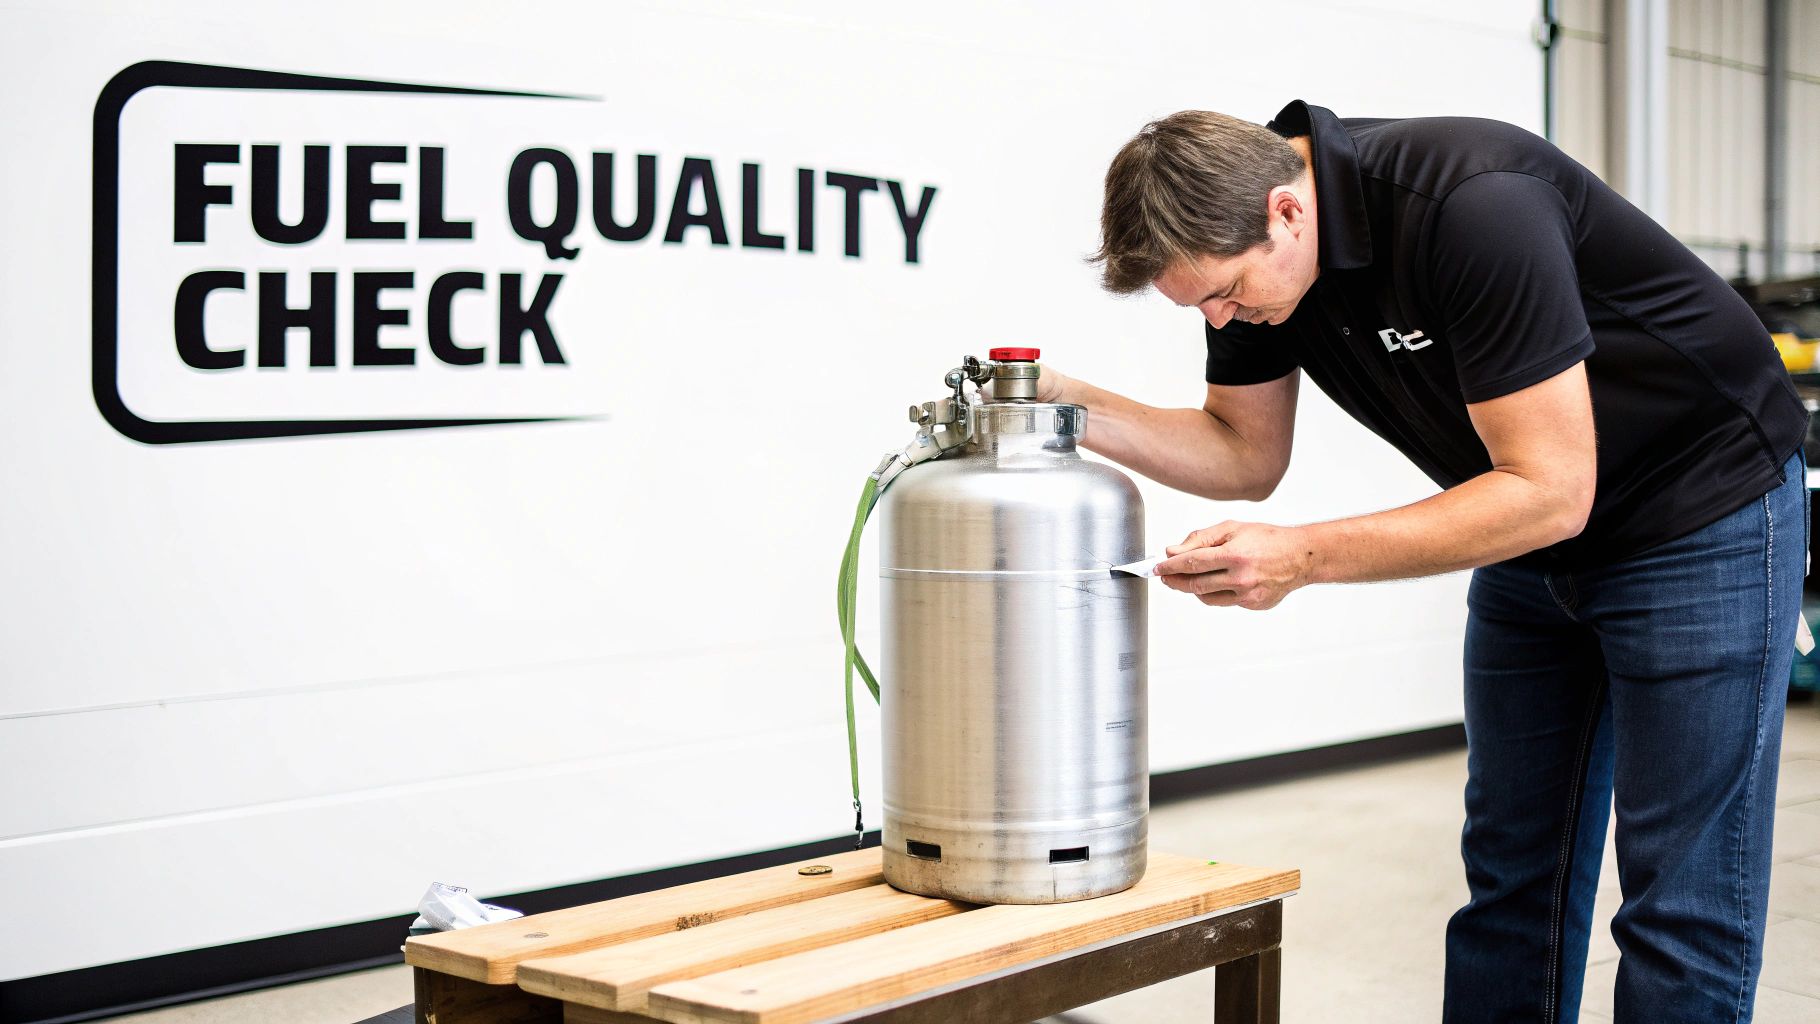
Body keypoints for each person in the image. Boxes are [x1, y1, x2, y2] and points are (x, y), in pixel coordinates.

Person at [1042, 101, 1808, 1023]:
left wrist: (1305, 556)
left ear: (1288, 210)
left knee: (1680, 899)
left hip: (1697, 503)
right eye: (1201, 305)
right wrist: (1054, 401)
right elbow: (1243, 454)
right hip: (1529, 525)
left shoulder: (1474, 202)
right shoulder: (1255, 255)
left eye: (1226, 292)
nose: (1222, 318)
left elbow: (1551, 487)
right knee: (1512, 875)